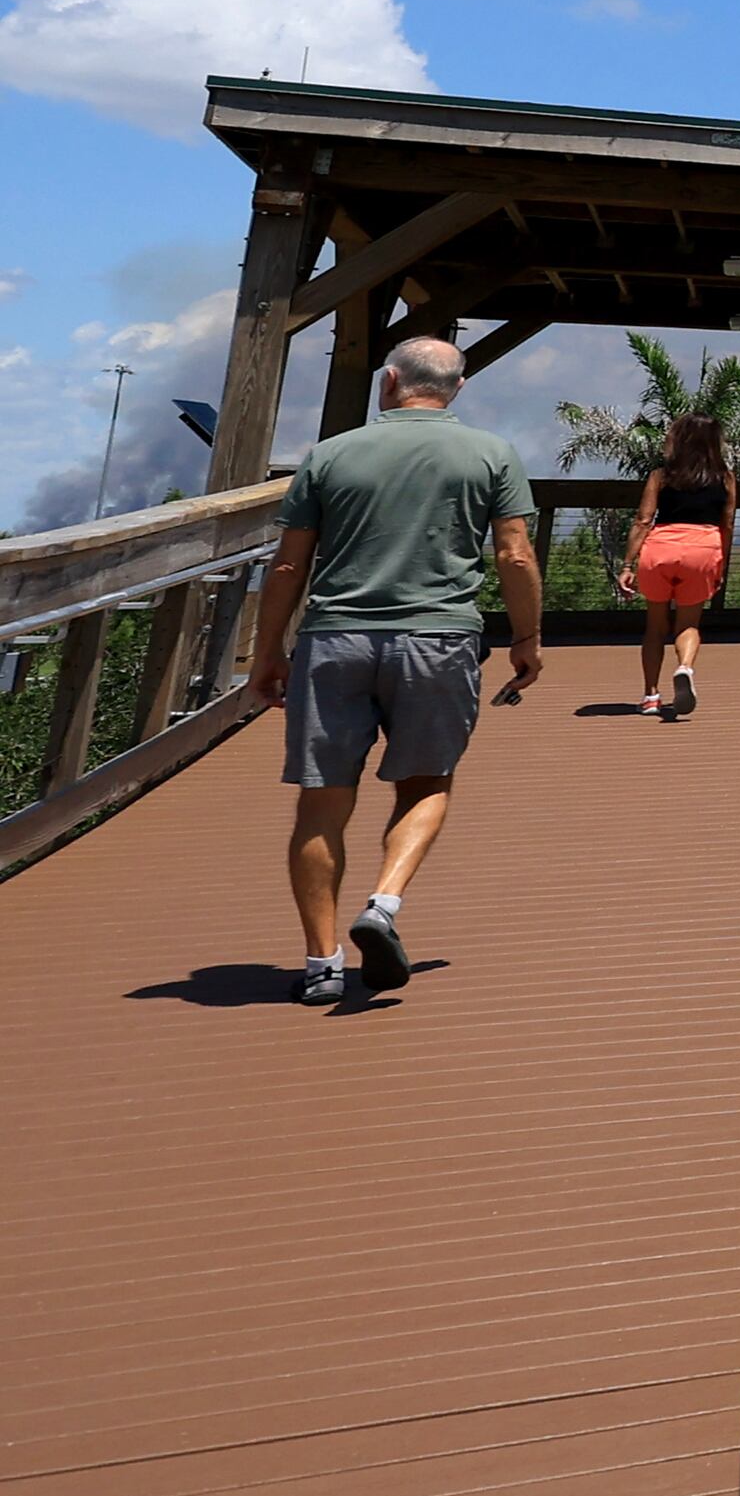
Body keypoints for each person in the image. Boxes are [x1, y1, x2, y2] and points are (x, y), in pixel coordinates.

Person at [244, 336, 544, 1003]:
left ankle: (322, 964)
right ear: (457, 388)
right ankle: (382, 903)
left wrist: (267, 653)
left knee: (322, 802)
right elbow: (515, 553)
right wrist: (527, 637)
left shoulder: (329, 455)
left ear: (389, 381)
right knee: (426, 782)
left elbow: (289, 564)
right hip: (438, 641)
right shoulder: (491, 454)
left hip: (334, 642)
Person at [631, 412, 735, 719]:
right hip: (703, 549)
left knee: (654, 627)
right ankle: (685, 667)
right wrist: (720, 564)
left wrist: (627, 563)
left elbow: (643, 520)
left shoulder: (661, 476)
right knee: (688, 624)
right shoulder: (725, 478)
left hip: (660, 549)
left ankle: (651, 695)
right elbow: (727, 523)